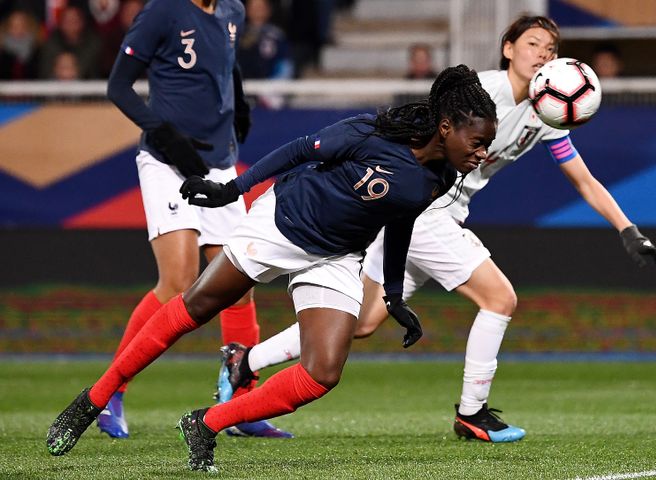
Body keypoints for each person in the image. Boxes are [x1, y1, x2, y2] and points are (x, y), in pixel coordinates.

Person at [219, 14, 656, 444]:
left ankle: (244, 363)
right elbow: (419, 127)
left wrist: (628, 229)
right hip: (424, 206)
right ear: (508, 49)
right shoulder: (482, 95)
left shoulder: (546, 112)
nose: (542, 55)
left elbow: (583, 179)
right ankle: (472, 412)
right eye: (532, 44)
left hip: (433, 214)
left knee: (362, 322)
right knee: (500, 297)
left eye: (551, 49)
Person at [46, 64, 498, 473]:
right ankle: (93, 399)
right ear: (446, 127)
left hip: (338, 255)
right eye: (478, 143)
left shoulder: (441, 178)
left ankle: (205, 423)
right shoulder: (373, 133)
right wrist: (233, 190)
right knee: (198, 304)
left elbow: (399, 222)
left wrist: (394, 296)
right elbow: (301, 149)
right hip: (281, 224)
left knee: (323, 372)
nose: (482, 155)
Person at [94, 0, 291, 440]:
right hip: (168, 161)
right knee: (179, 283)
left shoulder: (232, 12)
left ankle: (239, 404)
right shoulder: (163, 11)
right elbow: (119, 86)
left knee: (238, 283)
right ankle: (110, 392)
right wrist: (164, 133)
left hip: (219, 165)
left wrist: (238, 102)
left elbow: (226, 63)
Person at [38, 5, 102, 79]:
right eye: (67, 21)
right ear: (60, 23)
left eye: (74, 21)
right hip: (53, 86)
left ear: (82, 23)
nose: (70, 25)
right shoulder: (49, 44)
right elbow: (45, 72)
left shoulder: (93, 43)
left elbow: (93, 73)